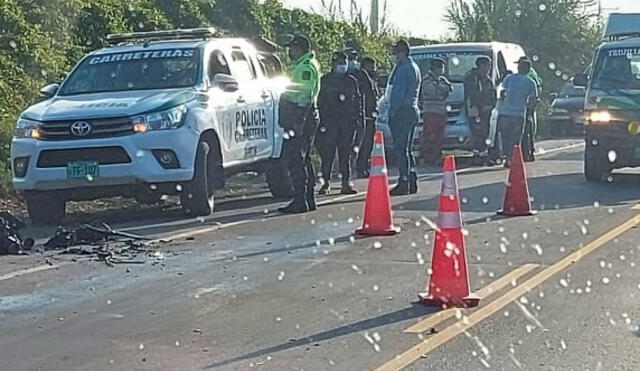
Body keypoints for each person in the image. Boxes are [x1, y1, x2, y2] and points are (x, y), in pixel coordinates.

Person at [277, 35, 321, 214]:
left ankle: (300, 200)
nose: (290, 51)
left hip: (301, 118)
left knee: (296, 159)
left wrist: (298, 121)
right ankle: (307, 199)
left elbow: (304, 96)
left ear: (299, 48)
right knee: (304, 159)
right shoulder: (303, 65)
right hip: (302, 117)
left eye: (292, 48)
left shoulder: (305, 68)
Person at [316, 52, 361, 195]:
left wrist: (357, 119)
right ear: (333, 64)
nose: (341, 66)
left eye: (343, 63)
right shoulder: (325, 81)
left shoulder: (351, 81)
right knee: (327, 154)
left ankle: (346, 182)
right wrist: (322, 123)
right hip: (329, 123)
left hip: (347, 123)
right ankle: (325, 183)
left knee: (345, 154)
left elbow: (358, 102)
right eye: (338, 63)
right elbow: (320, 102)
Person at [388, 40, 421, 196]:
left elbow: (398, 94)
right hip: (412, 110)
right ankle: (411, 179)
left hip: (402, 111)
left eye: (395, 52)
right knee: (407, 149)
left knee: (401, 149)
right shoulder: (414, 67)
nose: (394, 56)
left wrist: (392, 111)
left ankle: (404, 181)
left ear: (401, 52)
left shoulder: (403, 69)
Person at [497, 58, 539, 167]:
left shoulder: (509, 78)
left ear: (518, 67)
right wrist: (529, 110)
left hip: (505, 112)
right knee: (516, 139)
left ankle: (507, 158)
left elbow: (502, 92)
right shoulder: (531, 82)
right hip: (519, 114)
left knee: (506, 137)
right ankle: (513, 159)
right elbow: (534, 99)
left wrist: (504, 101)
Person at [345, 49, 377, 179]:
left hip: (365, 115)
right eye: (350, 58)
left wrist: (371, 112)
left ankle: (362, 167)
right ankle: (346, 171)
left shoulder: (362, 75)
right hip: (346, 117)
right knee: (348, 146)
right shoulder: (340, 77)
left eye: (354, 58)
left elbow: (370, 95)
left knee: (366, 144)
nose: (353, 61)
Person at [419, 58, 452, 165]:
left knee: (439, 137)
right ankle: (425, 156)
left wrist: (441, 87)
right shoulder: (426, 80)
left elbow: (449, 88)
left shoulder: (442, 79)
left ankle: (436, 156)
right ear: (436, 68)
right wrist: (440, 88)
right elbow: (430, 91)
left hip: (441, 112)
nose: (442, 70)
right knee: (429, 135)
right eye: (441, 67)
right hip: (430, 111)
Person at [464, 56, 497, 159]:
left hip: (486, 111)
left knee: (485, 133)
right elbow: (472, 94)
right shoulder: (472, 78)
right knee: (477, 133)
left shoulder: (487, 79)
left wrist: (490, 106)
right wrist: (480, 107)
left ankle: (483, 154)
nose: (489, 68)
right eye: (488, 66)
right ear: (481, 66)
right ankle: (477, 155)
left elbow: (493, 94)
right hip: (476, 111)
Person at [518, 57, 543, 162]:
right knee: (529, 130)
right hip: (530, 105)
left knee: (525, 130)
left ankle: (527, 152)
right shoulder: (534, 74)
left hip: (527, 106)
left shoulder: (529, 76)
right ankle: (530, 151)